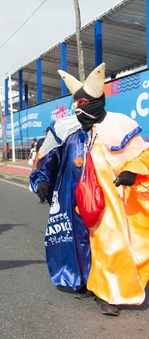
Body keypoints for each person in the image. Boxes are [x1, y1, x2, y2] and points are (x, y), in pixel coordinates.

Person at [31, 63, 149, 316]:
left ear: (97, 103)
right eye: (77, 105)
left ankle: (108, 293)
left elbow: (143, 155)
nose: (79, 111)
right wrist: (41, 178)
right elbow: (49, 159)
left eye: (84, 104)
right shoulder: (68, 130)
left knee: (109, 242)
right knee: (76, 241)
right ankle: (82, 279)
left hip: (109, 199)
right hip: (71, 197)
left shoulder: (121, 126)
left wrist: (133, 172)